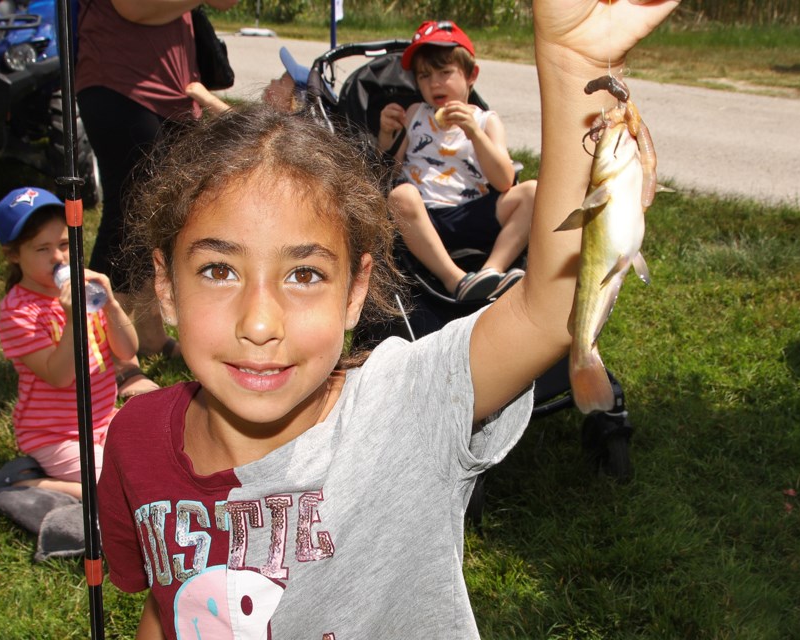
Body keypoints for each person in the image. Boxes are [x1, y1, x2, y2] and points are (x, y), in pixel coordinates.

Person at [96, 0, 679, 636]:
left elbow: (548, 307)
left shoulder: (408, 406)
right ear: (166, 287)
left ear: (356, 294)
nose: (259, 322)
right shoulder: (135, 439)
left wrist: (577, 66)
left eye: (304, 274)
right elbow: (165, 603)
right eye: (218, 270)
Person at [75, 0, 238, 397]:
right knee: (126, 214)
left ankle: (147, 333)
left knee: (166, 218)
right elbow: (133, 8)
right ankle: (110, 355)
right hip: (118, 81)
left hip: (176, 88)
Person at [0, 186, 138, 499]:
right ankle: (29, 485)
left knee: (154, 461)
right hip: (54, 434)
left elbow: (127, 351)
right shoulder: (18, 312)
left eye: (62, 244)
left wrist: (111, 303)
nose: (58, 257)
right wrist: (73, 319)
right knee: (116, 491)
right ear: (14, 255)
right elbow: (58, 376)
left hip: (102, 418)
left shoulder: (84, 287)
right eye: (41, 249)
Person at [378, 20, 537, 302]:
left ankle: (492, 271)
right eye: (424, 76)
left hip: (472, 211)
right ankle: (455, 280)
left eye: (444, 72)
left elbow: (504, 181)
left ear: (471, 75)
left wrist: (475, 134)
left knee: (533, 193)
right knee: (401, 195)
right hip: (425, 219)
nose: (434, 83)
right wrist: (386, 134)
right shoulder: (415, 113)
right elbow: (390, 169)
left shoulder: (486, 121)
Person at [186, 46, 321, 114]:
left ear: (293, 103)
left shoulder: (286, 132)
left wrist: (206, 98)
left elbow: (237, 121)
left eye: (281, 81)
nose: (273, 81)